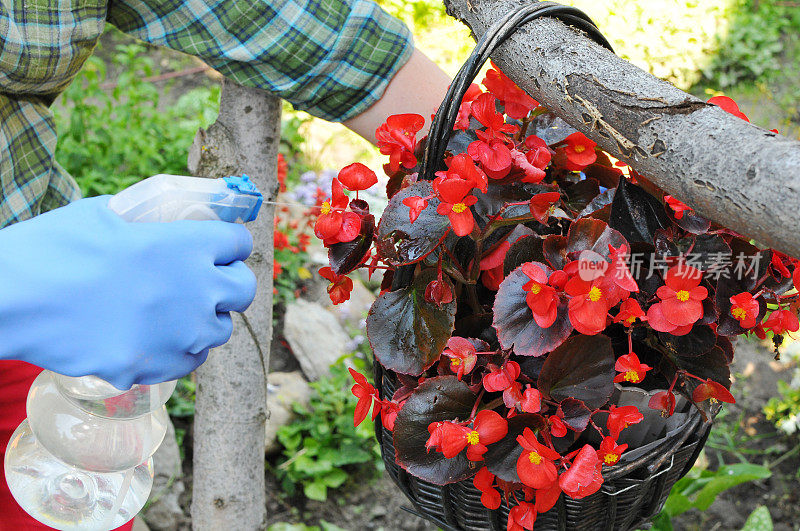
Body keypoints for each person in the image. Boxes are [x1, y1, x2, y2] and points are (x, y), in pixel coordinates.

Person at [0, 0, 450, 528]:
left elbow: (268, 16)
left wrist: (494, 147)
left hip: (51, 354)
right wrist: (19, 287)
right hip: (47, 307)